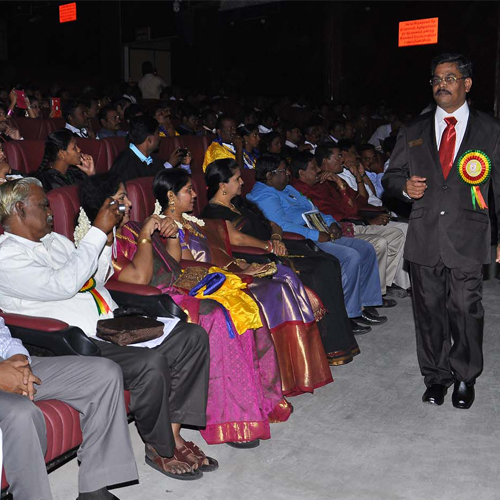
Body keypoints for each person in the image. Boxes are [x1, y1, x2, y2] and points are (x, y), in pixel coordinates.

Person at [0, 177, 212, 479]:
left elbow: (94, 280)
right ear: (20, 209)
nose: (50, 211)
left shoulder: (55, 241)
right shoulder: (6, 257)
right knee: (150, 363)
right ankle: (160, 448)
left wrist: (106, 242)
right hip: (71, 341)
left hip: (111, 324)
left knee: (192, 337)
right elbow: (64, 284)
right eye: (44, 204)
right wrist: (97, 231)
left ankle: (174, 434)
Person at [79, 172, 291, 448]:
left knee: (240, 304)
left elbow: (173, 262)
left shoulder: (131, 227)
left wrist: (170, 236)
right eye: (122, 199)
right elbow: (139, 279)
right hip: (147, 303)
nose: (130, 204)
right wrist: (145, 236)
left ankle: (257, 405)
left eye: (127, 197)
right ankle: (227, 419)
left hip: (176, 287)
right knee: (217, 317)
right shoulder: (106, 242)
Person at [382, 53, 500, 409]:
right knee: (429, 312)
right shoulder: (414, 130)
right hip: (424, 236)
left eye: (450, 78)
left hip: (469, 235)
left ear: (467, 84)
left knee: (465, 308)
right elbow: (390, 176)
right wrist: (404, 188)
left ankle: (465, 377)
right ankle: (436, 377)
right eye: (436, 78)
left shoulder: (490, 129)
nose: (441, 84)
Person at [153, 169, 335, 395]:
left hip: (225, 272)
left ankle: (294, 374)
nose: (195, 195)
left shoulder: (192, 221)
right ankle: (273, 381)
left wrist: (243, 264)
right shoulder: (167, 228)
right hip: (208, 283)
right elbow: (188, 269)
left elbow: (223, 244)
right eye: (188, 190)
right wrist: (239, 273)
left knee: (283, 278)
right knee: (273, 290)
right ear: (171, 196)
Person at [202, 158, 363, 358]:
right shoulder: (213, 212)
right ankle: (323, 344)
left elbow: (273, 225)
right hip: (253, 257)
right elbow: (238, 239)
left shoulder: (240, 204)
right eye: (237, 179)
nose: (242, 182)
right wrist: (268, 245)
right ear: (222, 185)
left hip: (273, 247)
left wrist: (276, 238)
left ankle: (337, 340)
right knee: (319, 270)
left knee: (329, 261)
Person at [247, 153, 393, 332]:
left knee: (366, 248)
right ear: (270, 175)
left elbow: (314, 209)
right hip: (301, 241)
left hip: (318, 231)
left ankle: (364, 304)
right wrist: (316, 234)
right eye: (283, 171)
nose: (288, 174)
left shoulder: (287, 188)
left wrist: (331, 222)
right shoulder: (264, 195)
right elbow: (282, 226)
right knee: (350, 256)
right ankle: (348, 314)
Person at [0, 317, 138, 500]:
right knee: (21, 412)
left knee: (105, 373)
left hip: (6, 363)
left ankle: (94, 488)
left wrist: (19, 357)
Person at [308, 144, 409, 295]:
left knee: (402, 232)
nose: (342, 160)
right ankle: (376, 291)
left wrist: (358, 177)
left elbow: (362, 200)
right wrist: (340, 184)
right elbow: (348, 212)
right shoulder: (322, 184)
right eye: (338, 157)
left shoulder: (334, 178)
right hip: (348, 226)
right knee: (382, 241)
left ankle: (391, 283)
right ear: (325, 161)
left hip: (359, 219)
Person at [109, 116, 185, 183]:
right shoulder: (125, 164)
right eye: (157, 134)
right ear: (149, 139)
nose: (159, 138)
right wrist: (169, 165)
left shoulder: (151, 158)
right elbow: (150, 184)